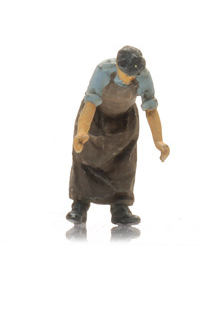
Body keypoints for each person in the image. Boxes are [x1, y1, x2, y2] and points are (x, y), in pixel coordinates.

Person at [67, 45, 170, 225]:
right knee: (85, 159)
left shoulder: (143, 76)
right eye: (126, 74)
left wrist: (159, 141)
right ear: (117, 66)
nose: (130, 78)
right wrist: (82, 131)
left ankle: (120, 208)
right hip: (95, 118)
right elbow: (90, 103)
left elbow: (151, 110)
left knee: (124, 165)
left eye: (133, 75)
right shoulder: (103, 71)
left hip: (125, 123)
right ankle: (79, 206)